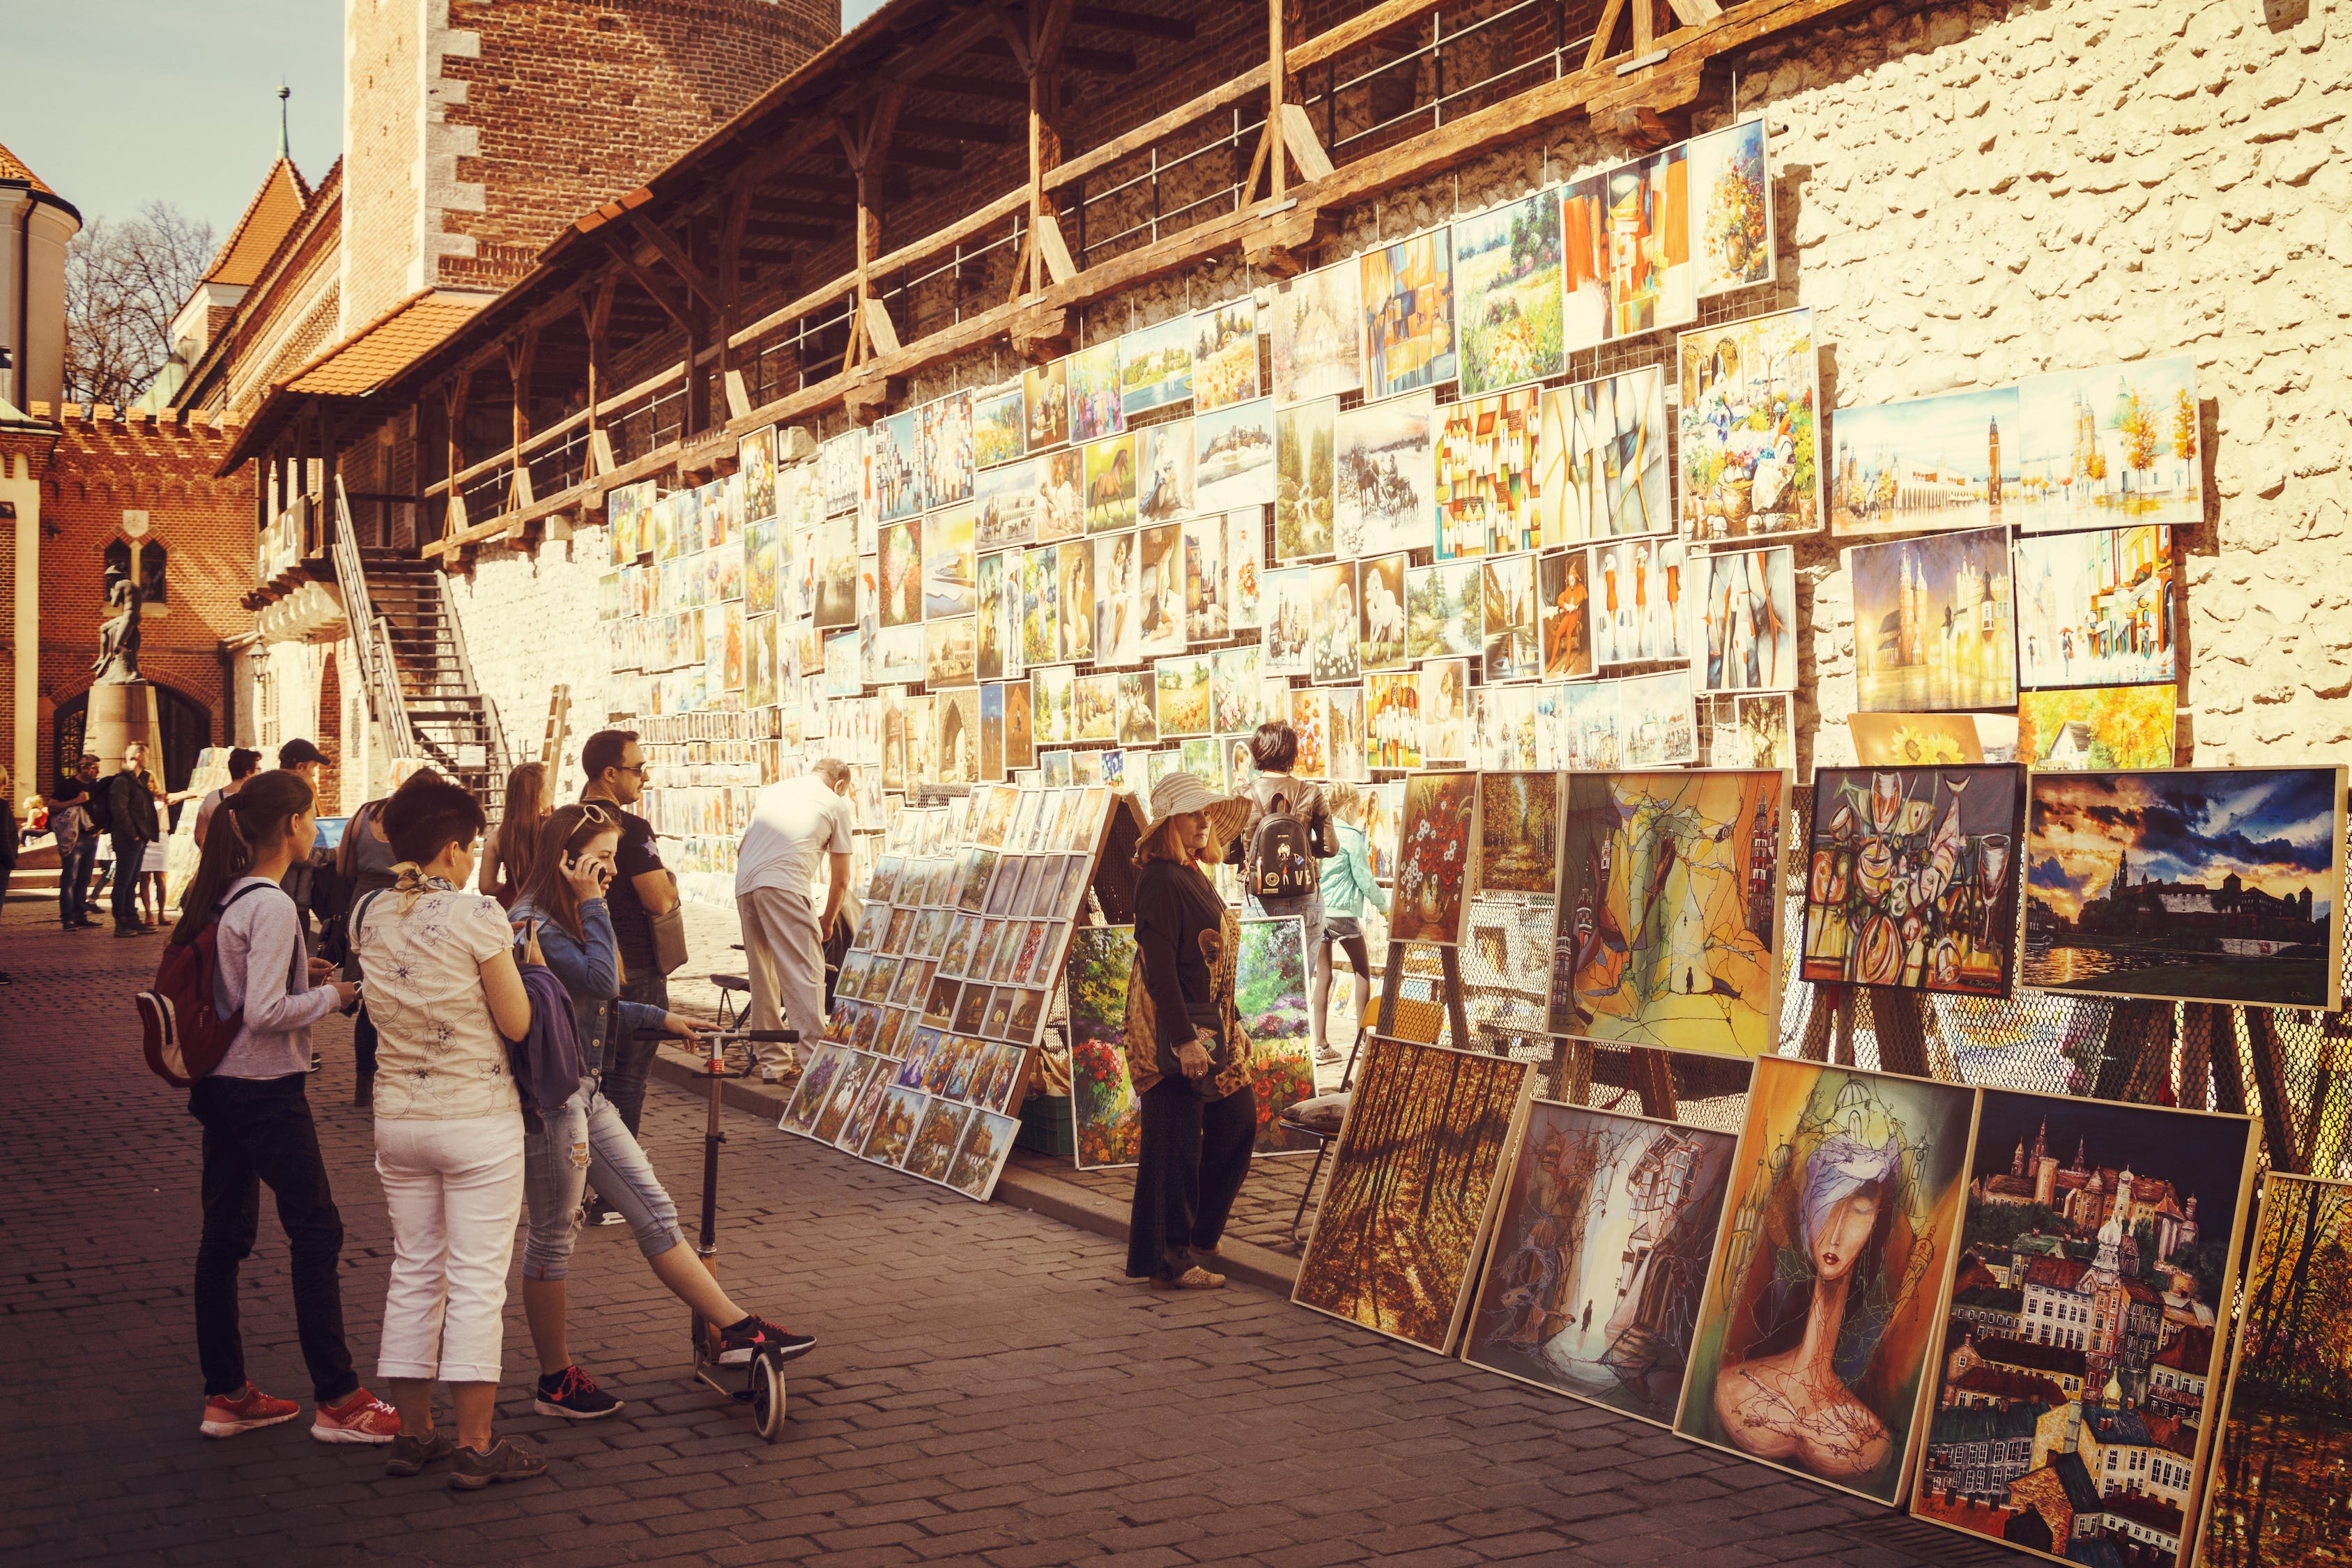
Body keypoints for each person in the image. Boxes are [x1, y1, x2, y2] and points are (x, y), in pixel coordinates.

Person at [511, 804, 815, 1419]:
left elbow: (588, 1010)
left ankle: (733, 1326)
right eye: (601, 859)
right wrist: (593, 903)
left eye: (614, 860)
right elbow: (602, 983)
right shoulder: (533, 921)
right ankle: (554, 1379)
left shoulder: (569, 912)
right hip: (553, 1100)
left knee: (655, 1211)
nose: (612, 873)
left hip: (585, 1093)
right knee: (552, 1237)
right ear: (566, 858)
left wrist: (661, 1019)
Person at [169, 768, 401, 1446]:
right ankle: (338, 1397)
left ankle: (227, 1393)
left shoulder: (227, 894)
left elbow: (244, 988)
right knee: (317, 1231)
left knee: (225, 1237)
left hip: (223, 1086)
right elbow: (267, 1012)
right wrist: (337, 997)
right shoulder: (270, 904)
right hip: (265, 1090)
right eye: (312, 817)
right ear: (292, 826)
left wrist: (308, 976)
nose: (316, 826)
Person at [354, 771, 543, 1488]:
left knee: (414, 1269)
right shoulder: (478, 917)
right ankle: (475, 1442)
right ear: (457, 850)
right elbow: (517, 1021)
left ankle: (413, 1432)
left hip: (399, 1119)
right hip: (476, 1119)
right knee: (474, 1280)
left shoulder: (369, 914)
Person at [1123, 773, 1257, 1293]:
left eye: (1206, 814)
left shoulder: (1191, 873)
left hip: (1209, 1022)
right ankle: (1169, 1261)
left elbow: (1211, 963)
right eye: (1191, 814)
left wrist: (1236, 1021)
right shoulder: (1158, 878)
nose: (1203, 822)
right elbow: (1160, 967)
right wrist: (1181, 1039)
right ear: (1168, 824)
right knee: (1173, 1143)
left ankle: (1198, 1235)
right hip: (1170, 1026)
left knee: (1236, 1121)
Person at [578, 729, 677, 1170]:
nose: (646, 778)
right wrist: (671, 880)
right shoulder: (629, 829)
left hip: (583, 961)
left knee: (589, 1080)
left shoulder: (566, 820)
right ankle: (616, 1189)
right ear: (610, 773)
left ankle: (582, 1182)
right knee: (627, 1083)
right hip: (633, 966)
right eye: (638, 770)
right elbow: (659, 899)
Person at [732, 759, 854, 1084]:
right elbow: (841, 880)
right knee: (805, 973)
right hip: (785, 884)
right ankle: (815, 1066)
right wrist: (827, 921)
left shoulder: (774, 791)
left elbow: (742, 848)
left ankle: (773, 1065)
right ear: (839, 784)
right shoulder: (835, 803)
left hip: (746, 884)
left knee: (763, 977)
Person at [1238, 722, 1339, 1054]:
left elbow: (1225, 854)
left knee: (1261, 990)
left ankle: (1266, 1064)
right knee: (1298, 988)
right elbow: (1331, 847)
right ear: (1293, 755)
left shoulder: (1244, 796)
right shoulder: (1311, 792)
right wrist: (1299, 848)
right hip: (1306, 898)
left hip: (1259, 899)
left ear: (1256, 754)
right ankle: (1298, 1069)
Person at [335, 796, 403, 1107]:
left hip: (363, 903)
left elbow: (343, 867)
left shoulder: (362, 813)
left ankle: (364, 1082)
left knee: (369, 996)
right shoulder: (416, 817)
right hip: (401, 902)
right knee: (398, 993)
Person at [1315, 782, 1389, 1068]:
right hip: (1343, 913)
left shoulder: (1319, 832)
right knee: (1362, 970)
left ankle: (1321, 1045)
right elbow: (1365, 881)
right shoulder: (1351, 837)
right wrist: (1386, 908)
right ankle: (1362, 1040)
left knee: (1324, 977)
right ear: (1348, 808)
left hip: (1320, 912)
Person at [102, 743, 163, 937]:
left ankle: (132, 918)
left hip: (139, 838)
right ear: (138, 756)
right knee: (123, 880)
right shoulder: (123, 781)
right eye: (147, 755)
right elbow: (119, 810)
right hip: (128, 838)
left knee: (132, 880)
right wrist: (134, 833)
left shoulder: (140, 780)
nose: (149, 759)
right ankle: (120, 922)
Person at [477, 761, 550, 908]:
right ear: (538, 794)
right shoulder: (555, 830)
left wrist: (513, 889)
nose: (552, 790)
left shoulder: (498, 837)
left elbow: (486, 887)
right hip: (548, 907)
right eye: (549, 785)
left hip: (512, 908)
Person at [50, 753, 101, 929]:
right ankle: (68, 918)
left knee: (85, 878)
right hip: (74, 838)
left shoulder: (96, 786)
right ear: (83, 768)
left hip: (92, 837)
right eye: (94, 768)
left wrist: (101, 828)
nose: (98, 771)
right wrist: (76, 801)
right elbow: (52, 806)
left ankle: (81, 916)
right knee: (70, 878)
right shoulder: (67, 785)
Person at [194, 748, 263, 848]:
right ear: (248, 772)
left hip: (219, 859)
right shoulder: (258, 799)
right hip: (250, 861)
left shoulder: (211, 798)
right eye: (258, 769)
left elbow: (200, 836)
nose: (260, 773)